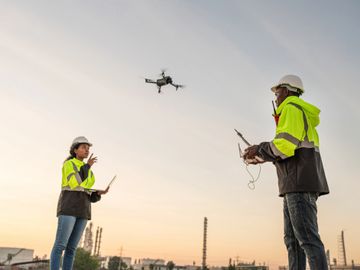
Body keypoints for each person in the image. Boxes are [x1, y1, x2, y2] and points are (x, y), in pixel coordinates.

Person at [243, 75, 330, 270]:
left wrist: (259, 149)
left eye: (277, 91)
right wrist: (261, 156)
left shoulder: (291, 108)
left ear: (288, 90)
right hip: (294, 183)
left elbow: (284, 146)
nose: (275, 96)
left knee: (307, 240)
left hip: (299, 184)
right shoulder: (297, 113)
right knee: (293, 242)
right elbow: (288, 152)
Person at [50, 136, 108, 270]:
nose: (87, 150)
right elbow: (75, 182)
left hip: (83, 211)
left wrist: (97, 194)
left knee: (71, 249)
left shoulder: (89, 171)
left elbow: (86, 193)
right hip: (68, 208)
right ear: (75, 150)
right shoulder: (69, 164)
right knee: (60, 246)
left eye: (88, 148)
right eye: (83, 147)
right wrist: (88, 165)